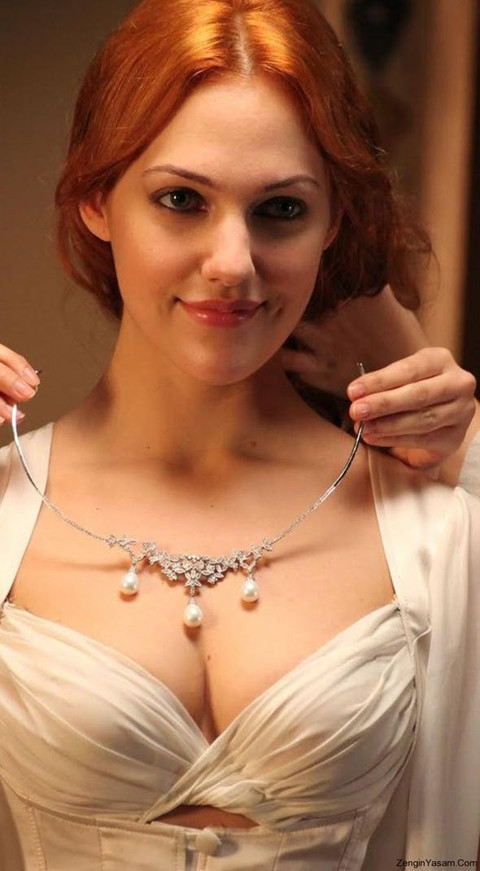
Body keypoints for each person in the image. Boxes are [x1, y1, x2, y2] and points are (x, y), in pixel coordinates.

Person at [0, 0, 478, 868]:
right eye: (182, 200)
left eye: (281, 209)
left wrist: (470, 445)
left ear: (334, 221)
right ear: (97, 199)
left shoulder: (433, 523)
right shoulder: (5, 507)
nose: (232, 262)